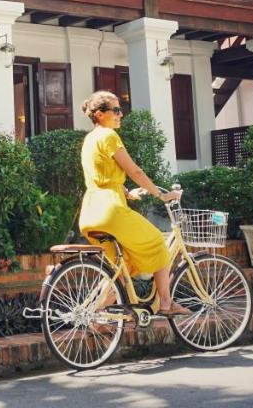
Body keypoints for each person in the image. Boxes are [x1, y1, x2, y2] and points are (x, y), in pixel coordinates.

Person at [78, 90, 188, 317]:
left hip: (90, 213)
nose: (121, 115)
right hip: (111, 211)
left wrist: (128, 194)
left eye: (121, 110)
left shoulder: (89, 139)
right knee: (158, 241)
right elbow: (135, 171)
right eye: (116, 110)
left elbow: (102, 176)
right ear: (99, 114)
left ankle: (93, 315)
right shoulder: (108, 136)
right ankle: (166, 303)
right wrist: (161, 195)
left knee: (120, 268)